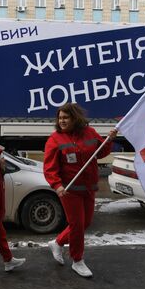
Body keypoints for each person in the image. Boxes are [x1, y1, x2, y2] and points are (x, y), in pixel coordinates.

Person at [43, 103, 117, 278]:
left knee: (86, 223)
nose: (62, 121)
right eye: (60, 118)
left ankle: (57, 242)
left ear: (75, 118)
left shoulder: (89, 134)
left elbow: (100, 152)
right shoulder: (55, 139)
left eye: (65, 118)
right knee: (76, 225)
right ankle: (77, 260)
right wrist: (57, 185)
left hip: (89, 188)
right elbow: (49, 168)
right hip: (69, 190)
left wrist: (110, 139)